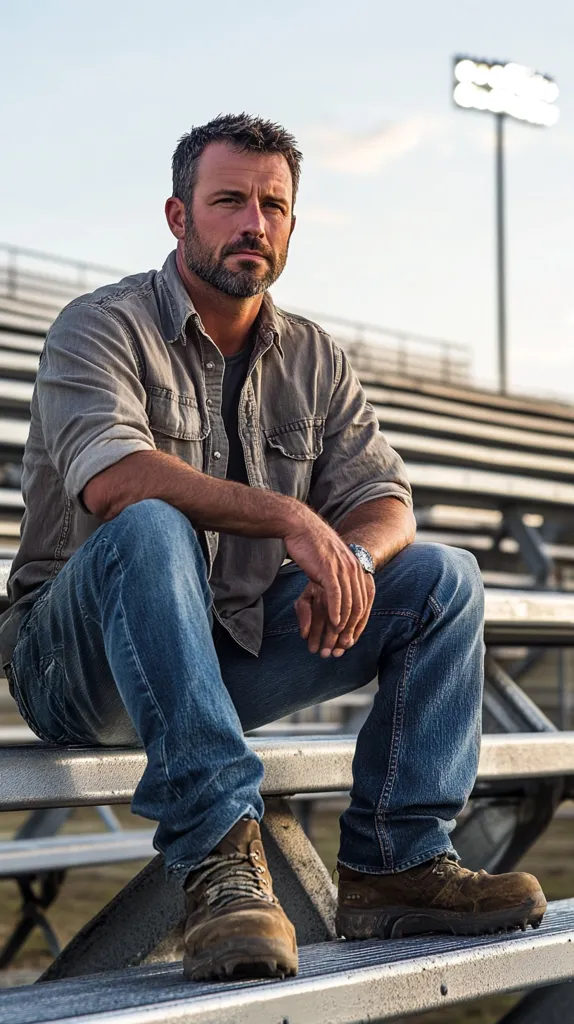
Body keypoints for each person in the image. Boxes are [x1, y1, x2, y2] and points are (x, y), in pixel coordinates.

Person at [0, 113, 546, 984]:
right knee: (148, 521)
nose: (252, 222)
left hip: (224, 652)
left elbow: (384, 498)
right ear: (179, 217)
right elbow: (112, 480)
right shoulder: (97, 326)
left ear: (291, 223)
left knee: (443, 576)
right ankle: (219, 860)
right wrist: (294, 522)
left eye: (272, 205)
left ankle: (395, 863)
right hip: (75, 666)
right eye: (228, 201)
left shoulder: (314, 358)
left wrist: (354, 563)